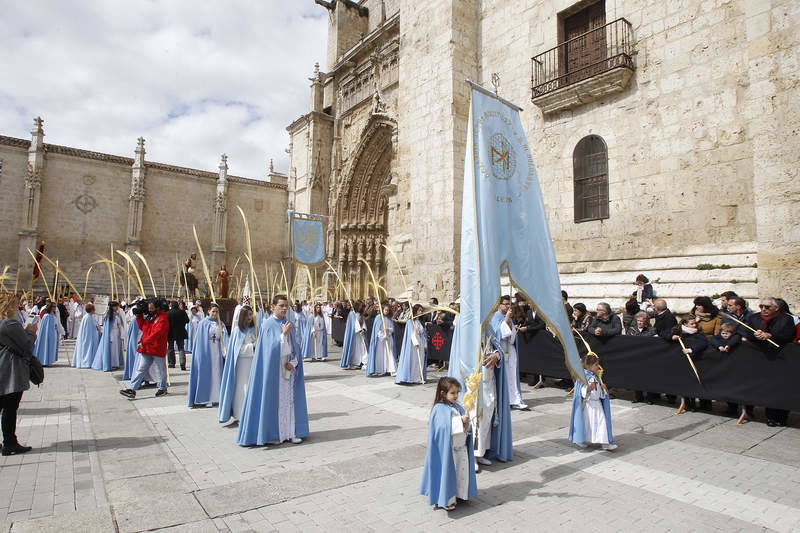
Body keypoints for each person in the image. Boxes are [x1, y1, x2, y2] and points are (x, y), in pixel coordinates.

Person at [236, 295, 309, 446]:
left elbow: (295, 347)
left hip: (288, 368)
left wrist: (294, 362)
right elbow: (270, 351)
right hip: (274, 370)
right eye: (281, 305)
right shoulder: (268, 325)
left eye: (286, 306)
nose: (284, 308)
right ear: (273, 306)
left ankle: (291, 432)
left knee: (290, 402)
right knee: (275, 402)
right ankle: (275, 433)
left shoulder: (288, 323)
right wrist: (283, 335)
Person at [420, 377, 477, 511]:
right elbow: (441, 428)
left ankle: (459, 494)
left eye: (457, 392)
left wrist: (467, 424)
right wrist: (459, 421)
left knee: (460, 473)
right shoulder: (439, 409)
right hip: (449, 450)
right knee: (448, 474)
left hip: (461, 447)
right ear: (443, 393)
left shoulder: (458, 407)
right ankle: (446, 499)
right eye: (452, 393)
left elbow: (466, 427)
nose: (456, 396)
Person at [744, 297, 796, 427]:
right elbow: (747, 332)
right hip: (759, 358)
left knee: (778, 388)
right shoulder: (754, 318)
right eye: (761, 306)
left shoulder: (786, 319)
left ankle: (778, 417)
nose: (763, 309)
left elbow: (789, 335)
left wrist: (770, 336)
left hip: (778, 358)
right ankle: (755, 412)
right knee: (761, 386)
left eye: (767, 307)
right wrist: (755, 335)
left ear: (776, 308)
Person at [0, 298, 38, 456]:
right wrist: (31, 331)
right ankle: (9, 442)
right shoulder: (10, 324)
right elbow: (26, 345)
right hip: (11, 369)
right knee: (10, 407)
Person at [120, 299, 170, 399]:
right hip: (147, 348)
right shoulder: (150, 317)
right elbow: (143, 327)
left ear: (157, 308)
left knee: (161, 370)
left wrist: (144, 342)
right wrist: (139, 316)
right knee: (141, 369)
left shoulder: (162, 318)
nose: (150, 310)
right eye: (149, 308)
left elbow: (157, 333)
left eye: (151, 308)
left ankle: (162, 387)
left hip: (157, 348)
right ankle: (132, 388)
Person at [568, 354, 616, 450]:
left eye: (597, 364)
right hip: (589, 405)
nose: (598, 366)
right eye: (595, 364)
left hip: (597, 404)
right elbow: (581, 392)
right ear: (589, 366)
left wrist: (603, 390)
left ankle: (605, 443)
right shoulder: (584, 377)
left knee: (601, 422)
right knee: (587, 423)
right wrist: (589, 389)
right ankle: (581, 440)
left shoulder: (595, 377)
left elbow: (598, 393)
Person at [218, 305, 256, 423]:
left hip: (252, 363)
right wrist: (253, 346)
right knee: (242, 388)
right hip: (242, 365)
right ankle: (240, 414)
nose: (250, 317)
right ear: (243, 316)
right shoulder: (237, 331)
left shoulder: (253, 330)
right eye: (248, 315)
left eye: (251, 314)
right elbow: (237, 351)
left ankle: (251, 413)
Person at [188, 303, 228, 408]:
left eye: (217, 312)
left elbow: (225, 338)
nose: (215, 314)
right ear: (208, 311)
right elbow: (200, 341)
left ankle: (217, 397)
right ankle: (206, 397)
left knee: (217, 373)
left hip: (218, 353)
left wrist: (225, 350)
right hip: (207, 352)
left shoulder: (221, 323)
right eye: (213, 311)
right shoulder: (203, 323)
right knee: (207, 374)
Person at [668, 316, 709, 411]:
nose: (694, 325)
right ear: (685, 324)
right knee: (684, 382)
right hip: (682, 361)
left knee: (694, 382)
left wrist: (692, 349)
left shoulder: (697, 334)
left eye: (695, 323)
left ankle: (695, 404)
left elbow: (703, 342)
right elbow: (664, 333)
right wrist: (672, 336)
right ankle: (687, 403)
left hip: (695, 360)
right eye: (692, 324)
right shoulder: (679, 331)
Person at [497, 299, 526, 410]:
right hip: (500, 350)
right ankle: (504, 399)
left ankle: (515, 399)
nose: (508, 306)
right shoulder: (496, 316)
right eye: (506, 304)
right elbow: (499, 333)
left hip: (510, 349)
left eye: (509, 304)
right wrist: (507, 319)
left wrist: (509, 322)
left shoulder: (509, 317)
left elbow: (512, 335)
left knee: (512, 375)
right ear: (500, 305)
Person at [627, 311, 657, 404]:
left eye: (642, 321)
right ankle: (638, 396)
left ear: (646, 322)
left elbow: (648, 338)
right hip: (636, 357)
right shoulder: (632, 329)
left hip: (647, 357)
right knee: (636, 377)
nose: (639, 323)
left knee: (648, 378)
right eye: (638, 321)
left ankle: (649, 398)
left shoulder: (651, 330)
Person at [396, 304, 428, 384]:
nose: (421, 312)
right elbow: (411, 333)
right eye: (419, 310)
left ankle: (418, 377)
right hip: (413, 344)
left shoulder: (419, 321)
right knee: (413, 361)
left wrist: (425, 345)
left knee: (420, 360)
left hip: (420, 343)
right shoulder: (410, 322)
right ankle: (412, 377)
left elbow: (422, 334)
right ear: (415, 311)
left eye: (421, 310)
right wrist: (415, 342)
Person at [365, 302, 396, 376]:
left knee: (389, 354)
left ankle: (390, 369)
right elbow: (377, 330)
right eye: (385, 310)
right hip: (380, 340)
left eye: (388, 310)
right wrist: (383, 336)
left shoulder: (389, 318)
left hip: (388, 339)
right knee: (381, 355)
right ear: (382, 310)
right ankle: (380, 369)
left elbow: (393, 329)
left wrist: (389, 330)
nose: (387, 311)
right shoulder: (378, 317)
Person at [91, 301, 124, 371]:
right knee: (112, 350)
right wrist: (110, 337)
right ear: (113, 307)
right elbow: (109, 328)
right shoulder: (110, 316)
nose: (117, 308)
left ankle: (116, 363)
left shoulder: (117, 315)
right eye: (116, 306)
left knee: (116, 350)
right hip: (112, 334)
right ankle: (112, 363)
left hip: (117, 334)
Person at [340, 300, 368, 369]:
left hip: (361, 335)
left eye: (362, 307)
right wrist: (359, 330)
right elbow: (354, 324)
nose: (361, 308)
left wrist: (363, 329)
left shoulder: (361, 314)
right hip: (354, 335)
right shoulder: (352, 314)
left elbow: (363, 323)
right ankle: (354, 362)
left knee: (363, 348)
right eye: (360, 306)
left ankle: (364, 362)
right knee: (355, 349)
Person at [71, 303, 100, 369]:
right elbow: (89, 330)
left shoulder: (89, 317)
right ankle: (86, 362)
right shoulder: (88, 318)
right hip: (88, 338)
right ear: (91, 310)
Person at [32, 302, 61, 367]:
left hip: (53, 333)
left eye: (55, 307)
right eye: (53, 306)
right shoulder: (47, 316)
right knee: (46, 345)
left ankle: (49, 360)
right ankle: (44, 360)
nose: (54, 308)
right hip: (47, 334)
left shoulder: (53, 316)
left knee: (51, 347)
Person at [167, 301, 190, 370]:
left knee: (171, 348)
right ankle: (182, 363)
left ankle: (171, 363)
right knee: (181, 348)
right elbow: (187, 320)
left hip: (170, 332)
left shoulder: (168, 313)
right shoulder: (182, 312)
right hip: (180, 331)